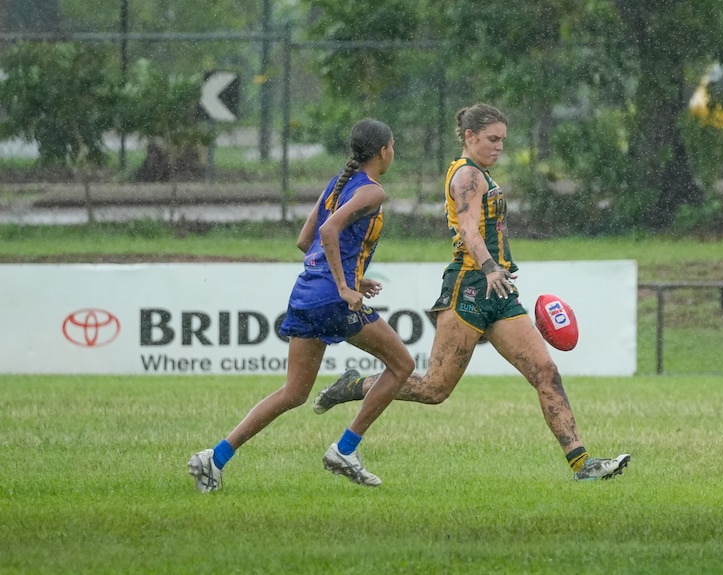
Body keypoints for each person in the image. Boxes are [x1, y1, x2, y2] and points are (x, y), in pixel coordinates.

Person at [312, 104, 630, 482]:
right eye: (492, 139)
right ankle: (354, 385)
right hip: (470, 287)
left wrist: (498, 273)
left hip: (499, 290)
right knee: (434, 389)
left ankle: (583, 464)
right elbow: (468, 229)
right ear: (470, 137)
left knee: (545, 371)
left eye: (503, 140)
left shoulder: (482, 175)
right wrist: (490, 267)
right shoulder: (467, 176)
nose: (499, 147)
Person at [188, 119, 414, 491]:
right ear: (383, 151)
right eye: (393, 145)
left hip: (306, 294)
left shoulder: (336, 185)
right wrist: (344, 286)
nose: (393, 152)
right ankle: (345, 449)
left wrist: (353, 278)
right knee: (402, 364)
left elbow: (303, 240)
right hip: (330, 297)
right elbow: (326, 233)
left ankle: (215, 458)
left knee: (293, 392)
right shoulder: (373, 192)